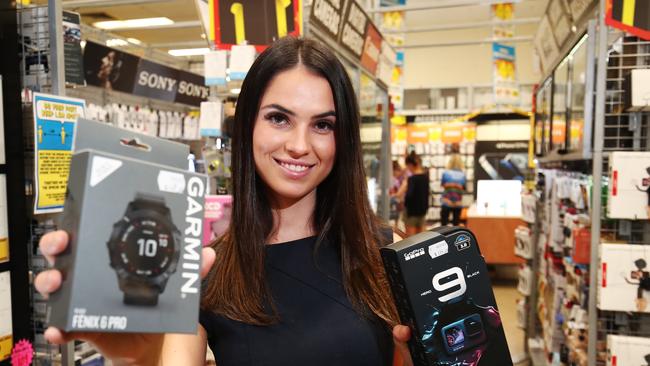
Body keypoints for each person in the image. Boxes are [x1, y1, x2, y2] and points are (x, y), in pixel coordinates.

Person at [34, 37, 413, 366]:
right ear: (248, 125)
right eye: (279, 118)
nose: (300, 145)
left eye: (322, 124)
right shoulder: (204, 274)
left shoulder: (383, 251)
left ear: (342, 138)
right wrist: (133, 358)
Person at [395, 151, 429, 236]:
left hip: (411, 212)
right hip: (422, 211)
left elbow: (408, 196)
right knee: (422, 238)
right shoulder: (425, 177)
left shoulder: (412, 179)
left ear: (410, 165)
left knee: (411, 240)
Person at [441, 154, 466, 226]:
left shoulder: (446, 173)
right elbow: (463, 187)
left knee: (444, 224)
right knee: (456, 224)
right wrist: (456, 185)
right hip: (458, 201)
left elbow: (443, 185)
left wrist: (450, 184)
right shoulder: (462, 174)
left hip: (447, 200)